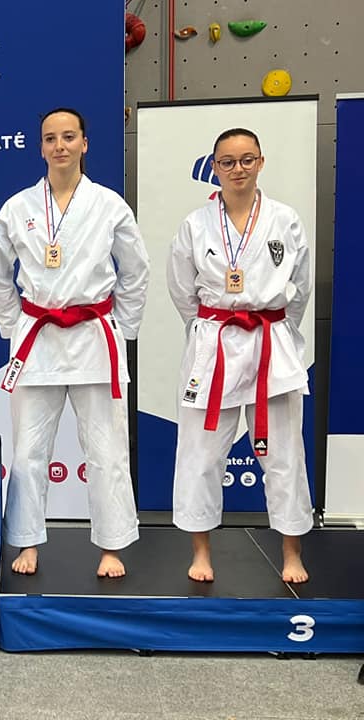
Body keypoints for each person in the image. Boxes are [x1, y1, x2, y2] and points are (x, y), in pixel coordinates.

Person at [0, 108, 149, 577]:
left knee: (107, 449)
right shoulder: (18, 207)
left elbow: (136, 269)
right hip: (38, 338)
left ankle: (112, 545)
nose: (60, 146)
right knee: (28, 450)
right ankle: (26, 540)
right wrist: (15, 324)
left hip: (94, 335)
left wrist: (122, 326)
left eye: (69, 137)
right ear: (41, 147)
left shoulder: (109, 204)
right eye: (51, 138)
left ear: (84, 144)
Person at [167, 128, 313, 584]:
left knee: (285, 454)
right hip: (215, 343)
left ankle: (292, 553)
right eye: (228, 162)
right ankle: (201, 552)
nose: (238, 169)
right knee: (201, 453)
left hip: (271, 342)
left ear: (261, 162)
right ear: (214, 167)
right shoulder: (195, 224)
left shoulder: (285, 219)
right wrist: (209, 328)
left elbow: (301, 286)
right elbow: (182, 290)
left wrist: (279, 327)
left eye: (247, 159)